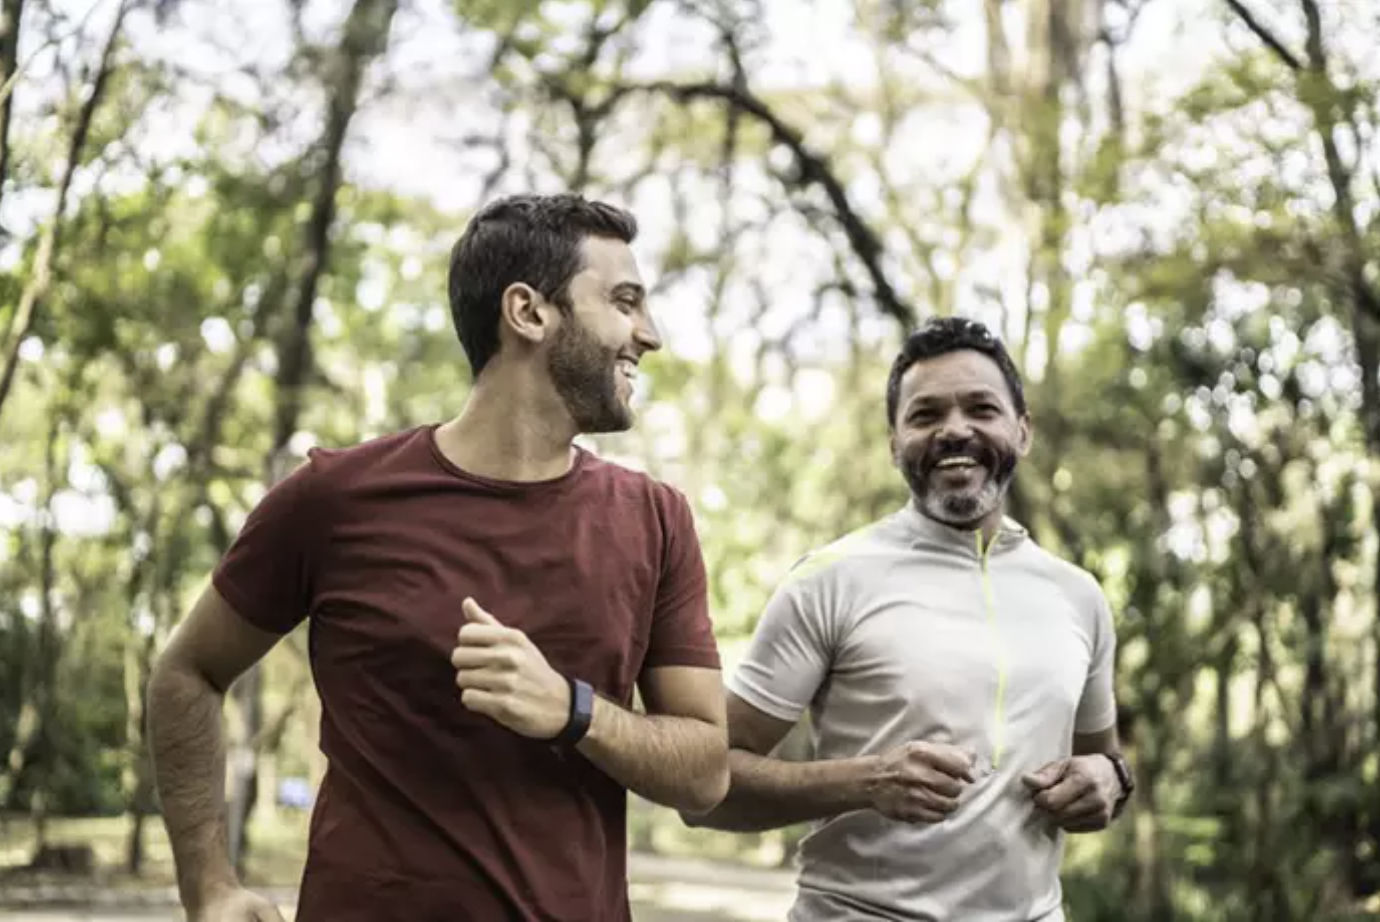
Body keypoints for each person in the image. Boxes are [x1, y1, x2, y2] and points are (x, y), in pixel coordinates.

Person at [147, 193, 730, 922]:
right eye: (624, 301)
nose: (650, 334)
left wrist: (573, 710)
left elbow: (705, 772)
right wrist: (208, 885)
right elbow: (187, 671)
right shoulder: (334, 498)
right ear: (528, 312)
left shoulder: (656, 519)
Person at [686, 317, 1134, 921]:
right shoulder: (830, 579)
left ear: (1022, 432)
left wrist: (1110, 781)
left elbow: (1103, 760)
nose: (955, 430)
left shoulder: (1077, 595)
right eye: (925, 416)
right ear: (894, 442)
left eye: (981, 408)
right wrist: (864, 782)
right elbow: (703, 789)